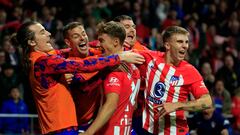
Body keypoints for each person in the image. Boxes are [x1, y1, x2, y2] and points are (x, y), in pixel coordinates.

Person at [13, 21, 144, 135]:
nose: (48, 34)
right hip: (60, 128)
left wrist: (103, 41)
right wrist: (119, 57)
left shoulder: (42, 58)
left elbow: (65, 51)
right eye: (42, 32)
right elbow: (81, 65)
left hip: (63, 127)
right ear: (31, 42)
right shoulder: (43, 62)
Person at [136, 26, 212, 135]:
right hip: (147, 130)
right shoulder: (151, 58)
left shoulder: (190, 71)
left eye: (186, 42)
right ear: (167, 45)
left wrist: (177, 105)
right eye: (180, 42)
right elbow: (124, 52)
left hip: (175, 131)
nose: (185, 46)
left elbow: (207, 102)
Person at [80, 21, 141, 135]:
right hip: (125, 129)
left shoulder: (114, 72)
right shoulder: (134, 69)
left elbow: (111, 105)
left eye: (102, 40)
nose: (99, 44)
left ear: (116, 42)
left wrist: (88, 133)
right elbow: (135, 105)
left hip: (109, 130)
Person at [62, 22, 104, 131]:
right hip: (76, 125)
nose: (82, 38)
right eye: (76, 36)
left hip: (97, 120)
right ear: (68, 42)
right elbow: (91, 65)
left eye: (83, 34)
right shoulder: (69, 65)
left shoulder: (95, 53)